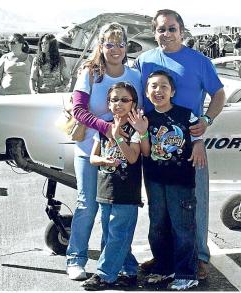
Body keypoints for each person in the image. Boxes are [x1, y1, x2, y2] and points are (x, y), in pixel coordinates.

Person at [134, 9, 226, 280]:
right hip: (155, 147)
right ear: (154, 33)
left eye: (172, 29)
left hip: (190, 143)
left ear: (181, 32)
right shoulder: (143, 61)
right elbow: (132, 94)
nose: (167, 34)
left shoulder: (199, 62)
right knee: (159, 206)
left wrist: (207, 119)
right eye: (161, 29)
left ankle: (198, 257)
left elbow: (218, 93)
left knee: (193, 203)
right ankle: (164, 257)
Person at [66, 22, 142, 281]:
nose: (116, 49)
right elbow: (78, 110)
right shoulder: (90, 72)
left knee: (117, 213)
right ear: (101, 46)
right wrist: (107, 128)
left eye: (121, 44)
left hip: (123, 153)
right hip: (90, 150)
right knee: (87, 205)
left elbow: (141, 111)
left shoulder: (135, 76)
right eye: (110, 44)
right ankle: (76, 258)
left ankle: (122, 262)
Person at [130, 70, 206, 290]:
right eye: (153, 86)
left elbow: (198, 137)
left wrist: (199, 143)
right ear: (146, 91)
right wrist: (143, 132)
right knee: (158, 227)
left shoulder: (187, 115)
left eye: (163, 86)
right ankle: (164, 267)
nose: (158, 90)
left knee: (183, 228)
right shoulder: (144, 118)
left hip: (181, 182)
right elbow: (145, 152)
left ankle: (186, 273)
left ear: (172, 91)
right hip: (155, 181)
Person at [81, 82, 143, 290]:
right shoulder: (104, 126)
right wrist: (104, 161)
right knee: (110, 234)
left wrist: (118, 138)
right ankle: (129, 269)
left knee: (118, 233)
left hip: (126, 191)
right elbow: (93, 157)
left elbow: (133, 158)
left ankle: (105, 275)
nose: (119, 104)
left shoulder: (135, 128)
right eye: (114, 99)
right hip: (105, 188)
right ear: (108, 103)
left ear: (133, 103)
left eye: (125, 100)